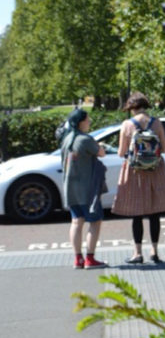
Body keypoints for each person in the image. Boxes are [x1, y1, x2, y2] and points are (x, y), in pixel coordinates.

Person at [111, 92, 165, 264]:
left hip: (135, 172)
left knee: (136, 213)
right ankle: (155, 251)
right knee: (154, 213)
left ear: (131, 107)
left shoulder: (127, 125)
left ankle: (137, 253)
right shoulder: (157, 123)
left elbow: (121, 153)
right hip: (155, 170)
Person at [61, 108, 108, 270]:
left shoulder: (66, 139)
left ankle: (78, 259)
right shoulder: (85, 139)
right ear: (81, 122)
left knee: (76, 222)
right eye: (87, 119)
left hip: (70, 188)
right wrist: (100, 145)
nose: (90, 122)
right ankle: (90, 259)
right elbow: (101, 153)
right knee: (95, 221)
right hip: (87, 189)